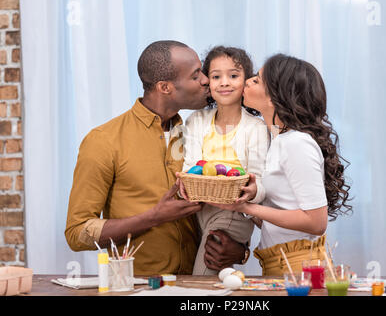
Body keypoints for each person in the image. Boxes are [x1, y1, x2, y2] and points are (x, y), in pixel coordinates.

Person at [65, 40, 247, 275]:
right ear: (165, 87)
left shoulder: (200, 134)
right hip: (136, 287)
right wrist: (153, 217)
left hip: (199, 289)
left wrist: (240, 250)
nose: (205, 80)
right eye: (195, 76)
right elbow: (77, 233)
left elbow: (223, 202)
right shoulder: (104, 140)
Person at [211, 54, 352, 276]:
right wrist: (246, 200)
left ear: (273, 99)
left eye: (256, 80)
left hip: (297, 267)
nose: (247, 81)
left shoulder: (296, 143)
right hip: (279, 263)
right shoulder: (277, 140)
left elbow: (316, 222)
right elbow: (282, 215)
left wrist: (246, 208)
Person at [178, 46, 270, 275]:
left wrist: (251, 192)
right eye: (216, 76)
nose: (224, 82)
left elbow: (259, 181)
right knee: (212, 280)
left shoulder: (256, 127)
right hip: (198, 212)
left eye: (234, 75)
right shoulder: (196, 121)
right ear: (207, 82)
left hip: (234, 212)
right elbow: (189, 167)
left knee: (202, 278)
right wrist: (186, 184)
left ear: (246, 82)